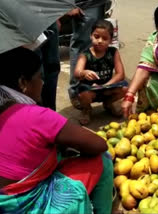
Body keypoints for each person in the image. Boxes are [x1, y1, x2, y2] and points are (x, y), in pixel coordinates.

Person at [0, 47, 113, 214]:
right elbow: (99, 145)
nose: (43, 83)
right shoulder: (36, 116)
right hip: (25, 206)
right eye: (40, 77)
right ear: (23, 83)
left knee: (55, 154)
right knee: (102, 160)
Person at [73, 19, 127, 125]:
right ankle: (86, 109)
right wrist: (84, 73)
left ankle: (108, 103)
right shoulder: (85, 54)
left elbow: (120, 74)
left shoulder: (113, 52)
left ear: (111, 40)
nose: (100, 41)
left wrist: (107, 85)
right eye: (96, 36)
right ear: (91, 36)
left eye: (105, 38)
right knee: (82, 94)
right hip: (90, 90)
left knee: (125, 88)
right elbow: (76, 72)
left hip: (107, 87)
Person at [67, 0, 111, 109]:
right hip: (85, 5)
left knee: (97, 46)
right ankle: (76, 91)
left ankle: (93, 88)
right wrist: (69, 5)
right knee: (81, 46)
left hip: (98, 4)